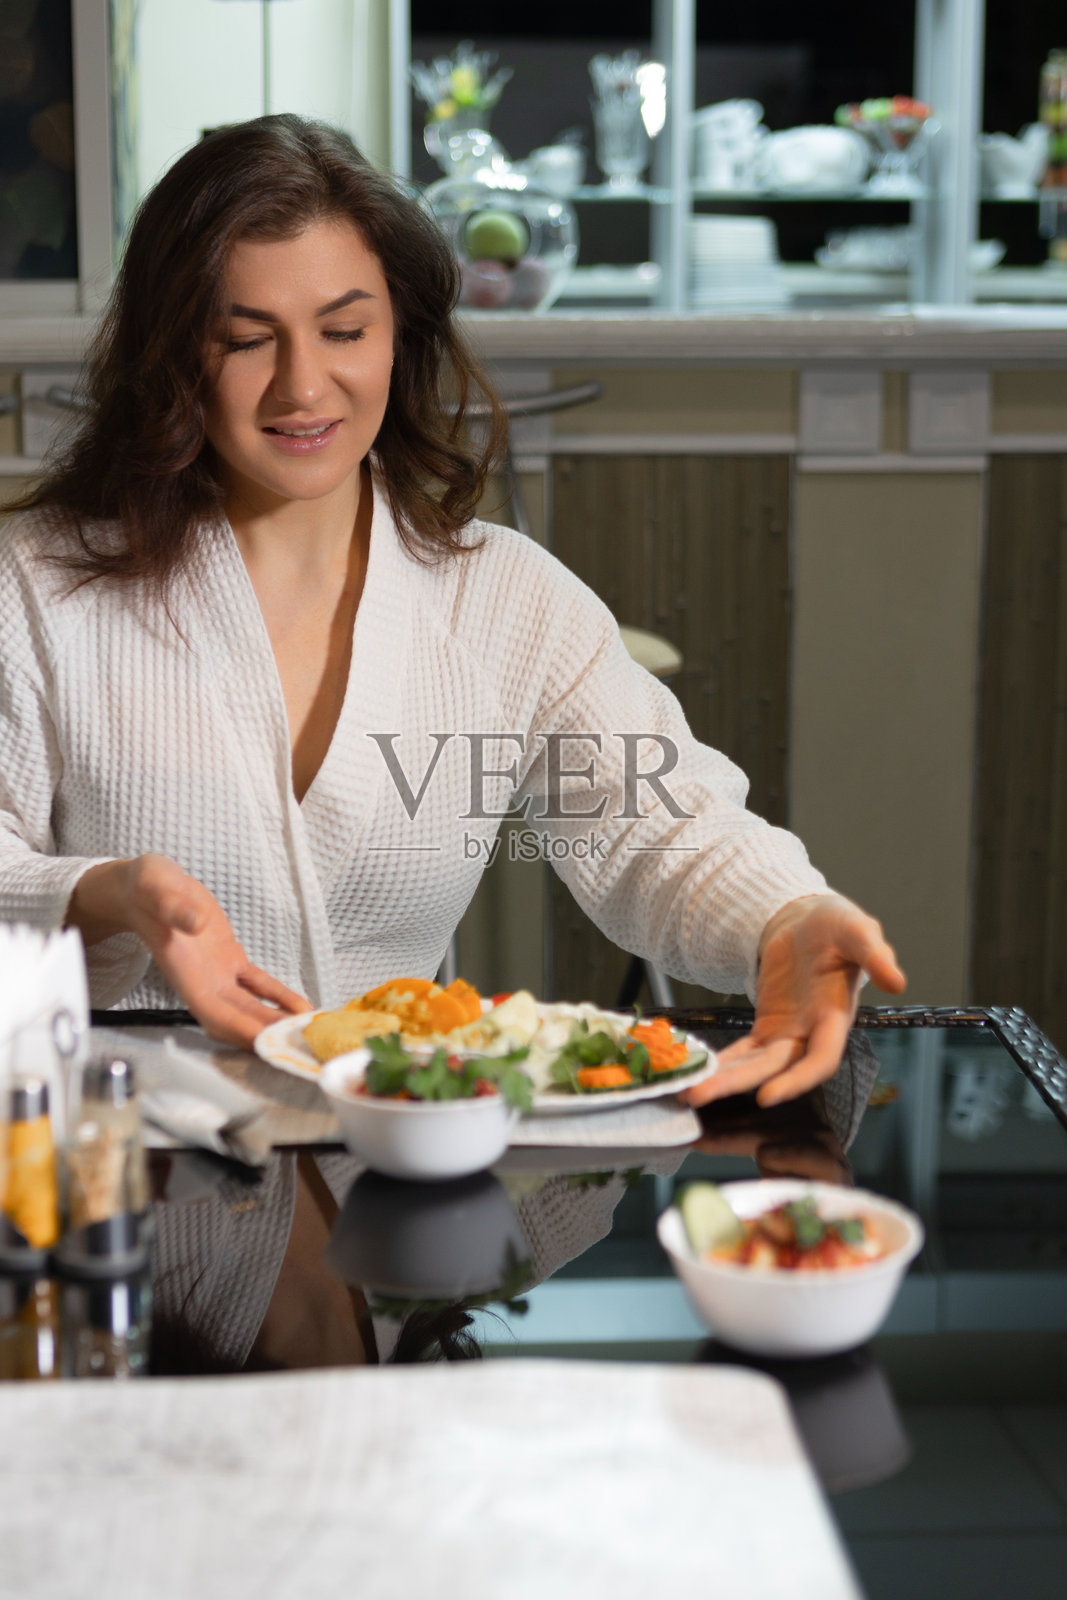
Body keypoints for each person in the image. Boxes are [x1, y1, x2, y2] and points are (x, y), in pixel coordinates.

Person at [0, 114, 905, 1107]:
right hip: (111, 1165)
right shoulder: (35, 586)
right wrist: (98, 895)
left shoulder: (503, 596)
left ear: (401, 333)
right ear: (174, 357)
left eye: (345, 331)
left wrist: (785, 916)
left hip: (404, 1173)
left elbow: (661, 827)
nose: (304, 386)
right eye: (245, 339)